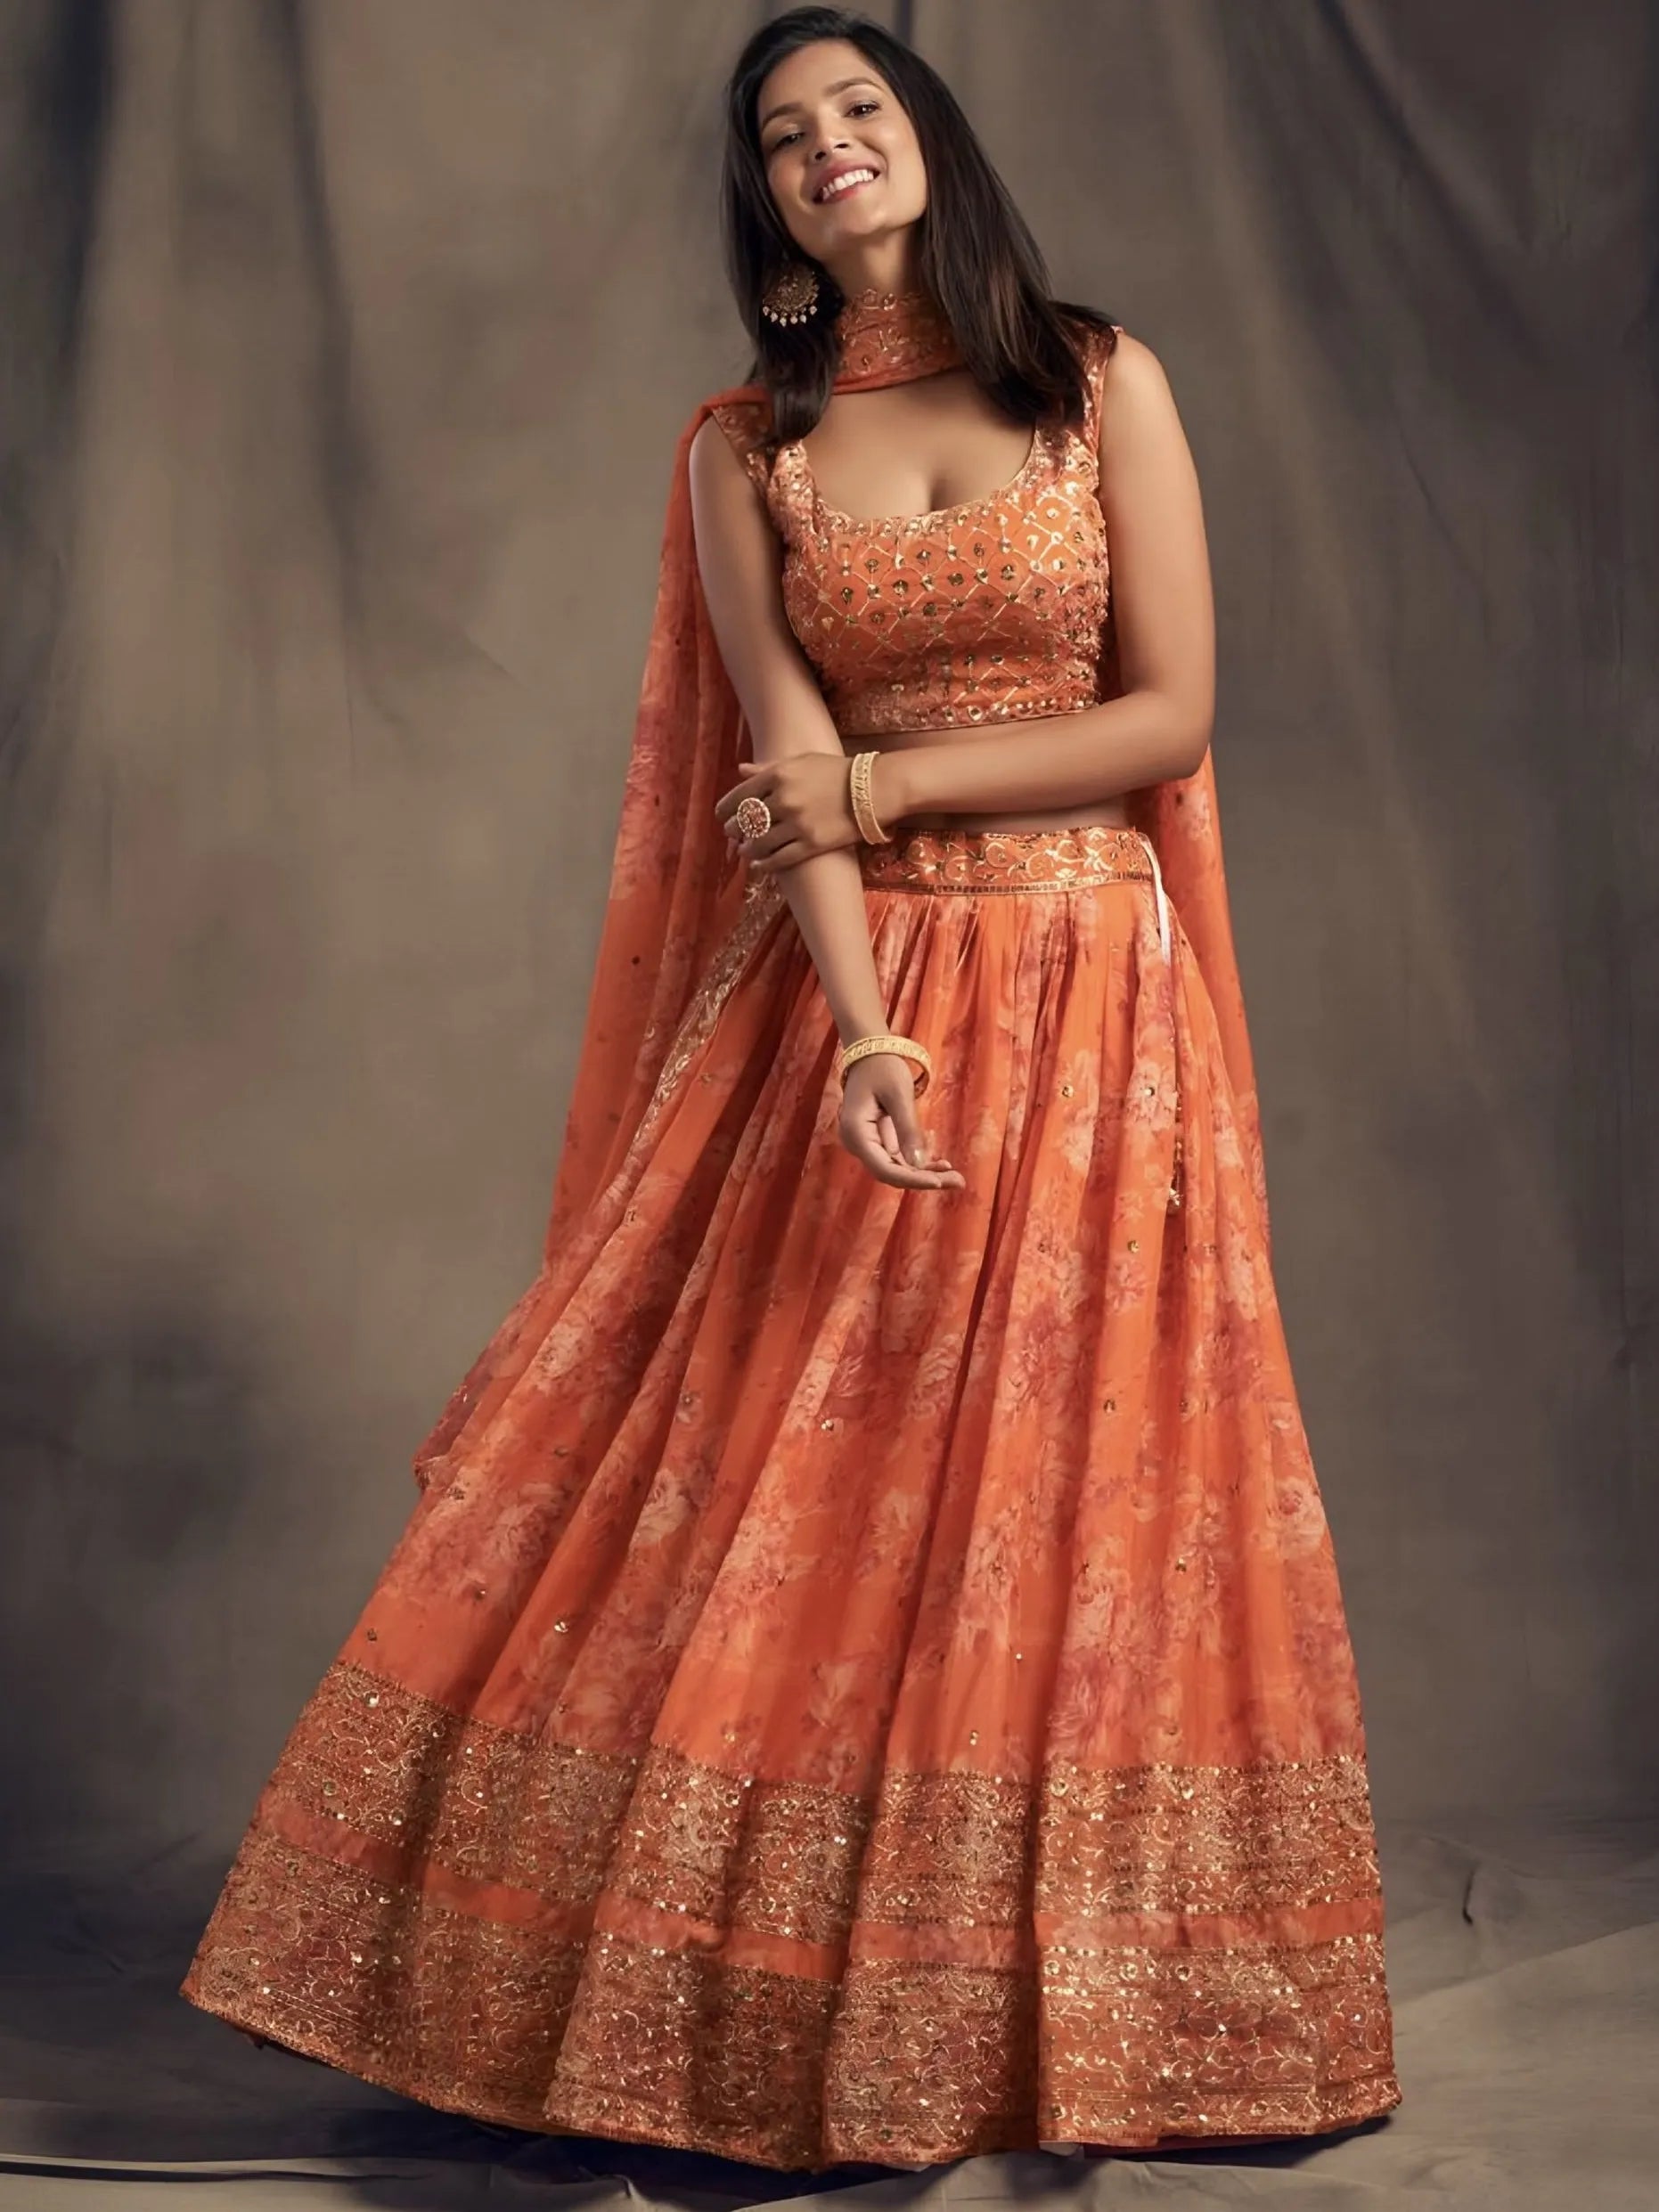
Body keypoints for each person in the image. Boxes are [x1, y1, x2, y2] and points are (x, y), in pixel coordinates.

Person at [181, 4, 1403, 2173]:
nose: (832, 145)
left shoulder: (1096, 378)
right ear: (764, 202)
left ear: (927, 138)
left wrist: (890, 775)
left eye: (862, 107)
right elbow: (777, 773)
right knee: (789, 1490)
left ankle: (1071, 2025)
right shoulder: (742, 447)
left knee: (1064, 1491)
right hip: (867, 1010)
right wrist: (858, 1026)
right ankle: (748, 2028)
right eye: (787, 132)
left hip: (1099, 999)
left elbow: (1169, 714)